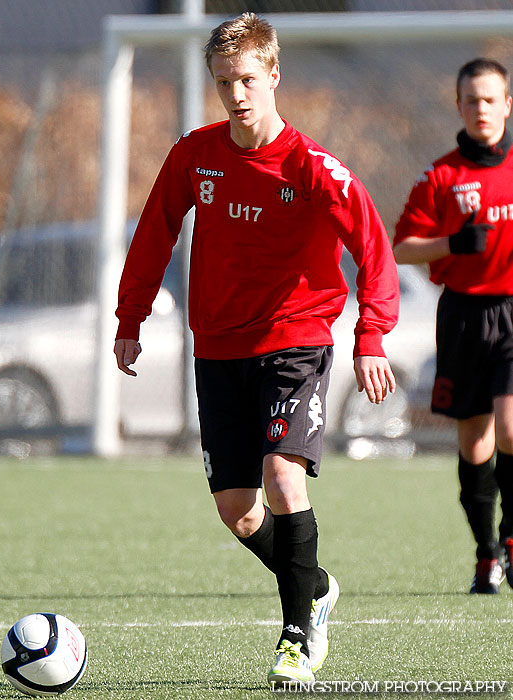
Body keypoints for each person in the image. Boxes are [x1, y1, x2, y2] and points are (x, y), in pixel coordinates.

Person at [114, 13, 399, 687]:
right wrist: (131, 316)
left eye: (246, 79)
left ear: (272, 74)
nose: (235, 95)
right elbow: (154, 231)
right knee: (238, 513)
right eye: (223, 83)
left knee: (281, 477)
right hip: (217, 348)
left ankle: (296, 637)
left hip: (293, 340)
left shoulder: (312, 168)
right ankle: (316, 586)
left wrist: (370, 336)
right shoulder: (195, 154)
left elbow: (373, 248)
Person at [394, 58, 513, 595]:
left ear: (507, 105)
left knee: (511, 429)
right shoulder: (441, 176)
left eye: (492, 99)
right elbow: (402, 246)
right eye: (472, 100)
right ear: (459, 106)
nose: (482, 109)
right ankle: (486, 552)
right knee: (474, 444)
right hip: (464, 316)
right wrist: (454, 243)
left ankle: (511, 538)